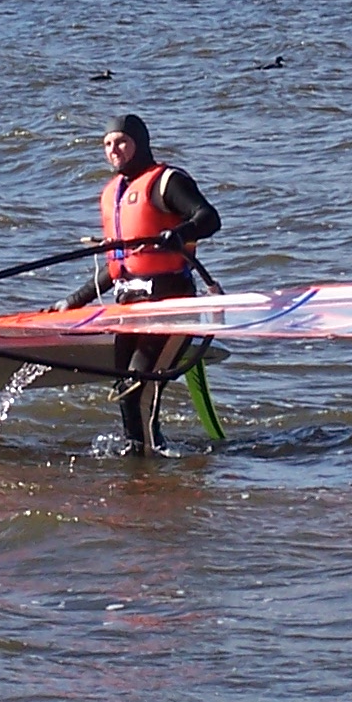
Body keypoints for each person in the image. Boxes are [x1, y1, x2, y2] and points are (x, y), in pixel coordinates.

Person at [63, 114, 220, 454]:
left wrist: (178, 234)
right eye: (107, 144)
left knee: (140, 384)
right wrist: (72, 302)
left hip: (170, 306)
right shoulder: (113, 194)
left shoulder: (167, 182)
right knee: (125, 388)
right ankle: (141, 462)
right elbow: (117, 267)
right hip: (129, 308)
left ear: (140, 143)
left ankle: (148, 467)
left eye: (121, 142)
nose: (113, 149)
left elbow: (209, 218)